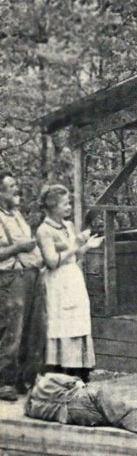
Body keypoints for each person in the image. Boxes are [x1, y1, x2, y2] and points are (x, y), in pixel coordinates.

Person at [35, 185, 103, 382]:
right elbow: (52, 261)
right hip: (58, 282)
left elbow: (76, 255)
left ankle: (80, 369)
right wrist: (75, 246)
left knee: (78, 322)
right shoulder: (44, 230)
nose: (68, 207)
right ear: (52, 206)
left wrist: (87, 246)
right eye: (64, 204)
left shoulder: (69, 226)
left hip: (73, 278)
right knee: (61, 323)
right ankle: (61, 368)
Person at [0, 170, 44, 401]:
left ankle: (23, 379)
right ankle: (4, 381)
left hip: (30, 275)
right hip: (10, 278)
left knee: (32, 329)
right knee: (11, 330)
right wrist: (18, 247)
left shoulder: (17, 215)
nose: (17, 190)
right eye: (11, 187)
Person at [25, 372, 137, 435]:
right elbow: (78, 383)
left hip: (74, 416)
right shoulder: (47, 378)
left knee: (112, 417)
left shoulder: (31, 408)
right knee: (112, 402)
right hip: (79, 399)